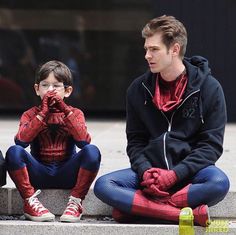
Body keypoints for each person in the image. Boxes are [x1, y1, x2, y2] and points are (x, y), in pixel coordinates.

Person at [94, 15, 230, 227]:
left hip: (190, 175)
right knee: (105, 185)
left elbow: (211, 146)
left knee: (219, 182)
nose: (147, 55)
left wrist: (175, 175)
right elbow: (136, 142)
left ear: (174, 49)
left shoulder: (209, 88)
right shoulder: (138, 89)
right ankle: (180, 215)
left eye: (154, 49)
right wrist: (146, 171)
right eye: (146, 49)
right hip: (151, 175)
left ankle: (145, 208)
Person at [5, 60, 101, 222]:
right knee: (14, 152)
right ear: (37, 89)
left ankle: (76, 201)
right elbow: (21, 142)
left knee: (92, 151)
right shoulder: (30, 114)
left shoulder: (75, 113)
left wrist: (64, 109)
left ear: (68, 91)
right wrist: (42, 113)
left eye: (56, 86)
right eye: (45, 85)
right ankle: (29, 201)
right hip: (39, 173)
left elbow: (83, 143)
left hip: (67, 173)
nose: (50, 90)